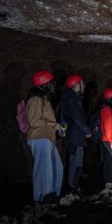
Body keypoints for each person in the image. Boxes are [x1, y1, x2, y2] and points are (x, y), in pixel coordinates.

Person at [26, 71, 63, 203]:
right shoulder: (35, 100)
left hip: (47, 138)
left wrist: (54, 126)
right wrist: (52, 124)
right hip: (39, 139)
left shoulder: (44, 100)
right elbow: (33, 121)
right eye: (51, 82)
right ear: (45, 84)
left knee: (56, 167)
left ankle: (52, 194)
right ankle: (42, 197)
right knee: (43, 169)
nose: (54, 85)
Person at [59, 74, 91, 195]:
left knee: (75, 160)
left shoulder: (68, 97)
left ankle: (74, 184)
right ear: (76, 85)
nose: (84, 85)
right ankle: (73, 186)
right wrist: (87, 131)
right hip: (75, 135)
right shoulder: (72, 98)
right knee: (75, 160)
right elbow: (78, 118)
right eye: (82, 83)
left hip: (73, 135)